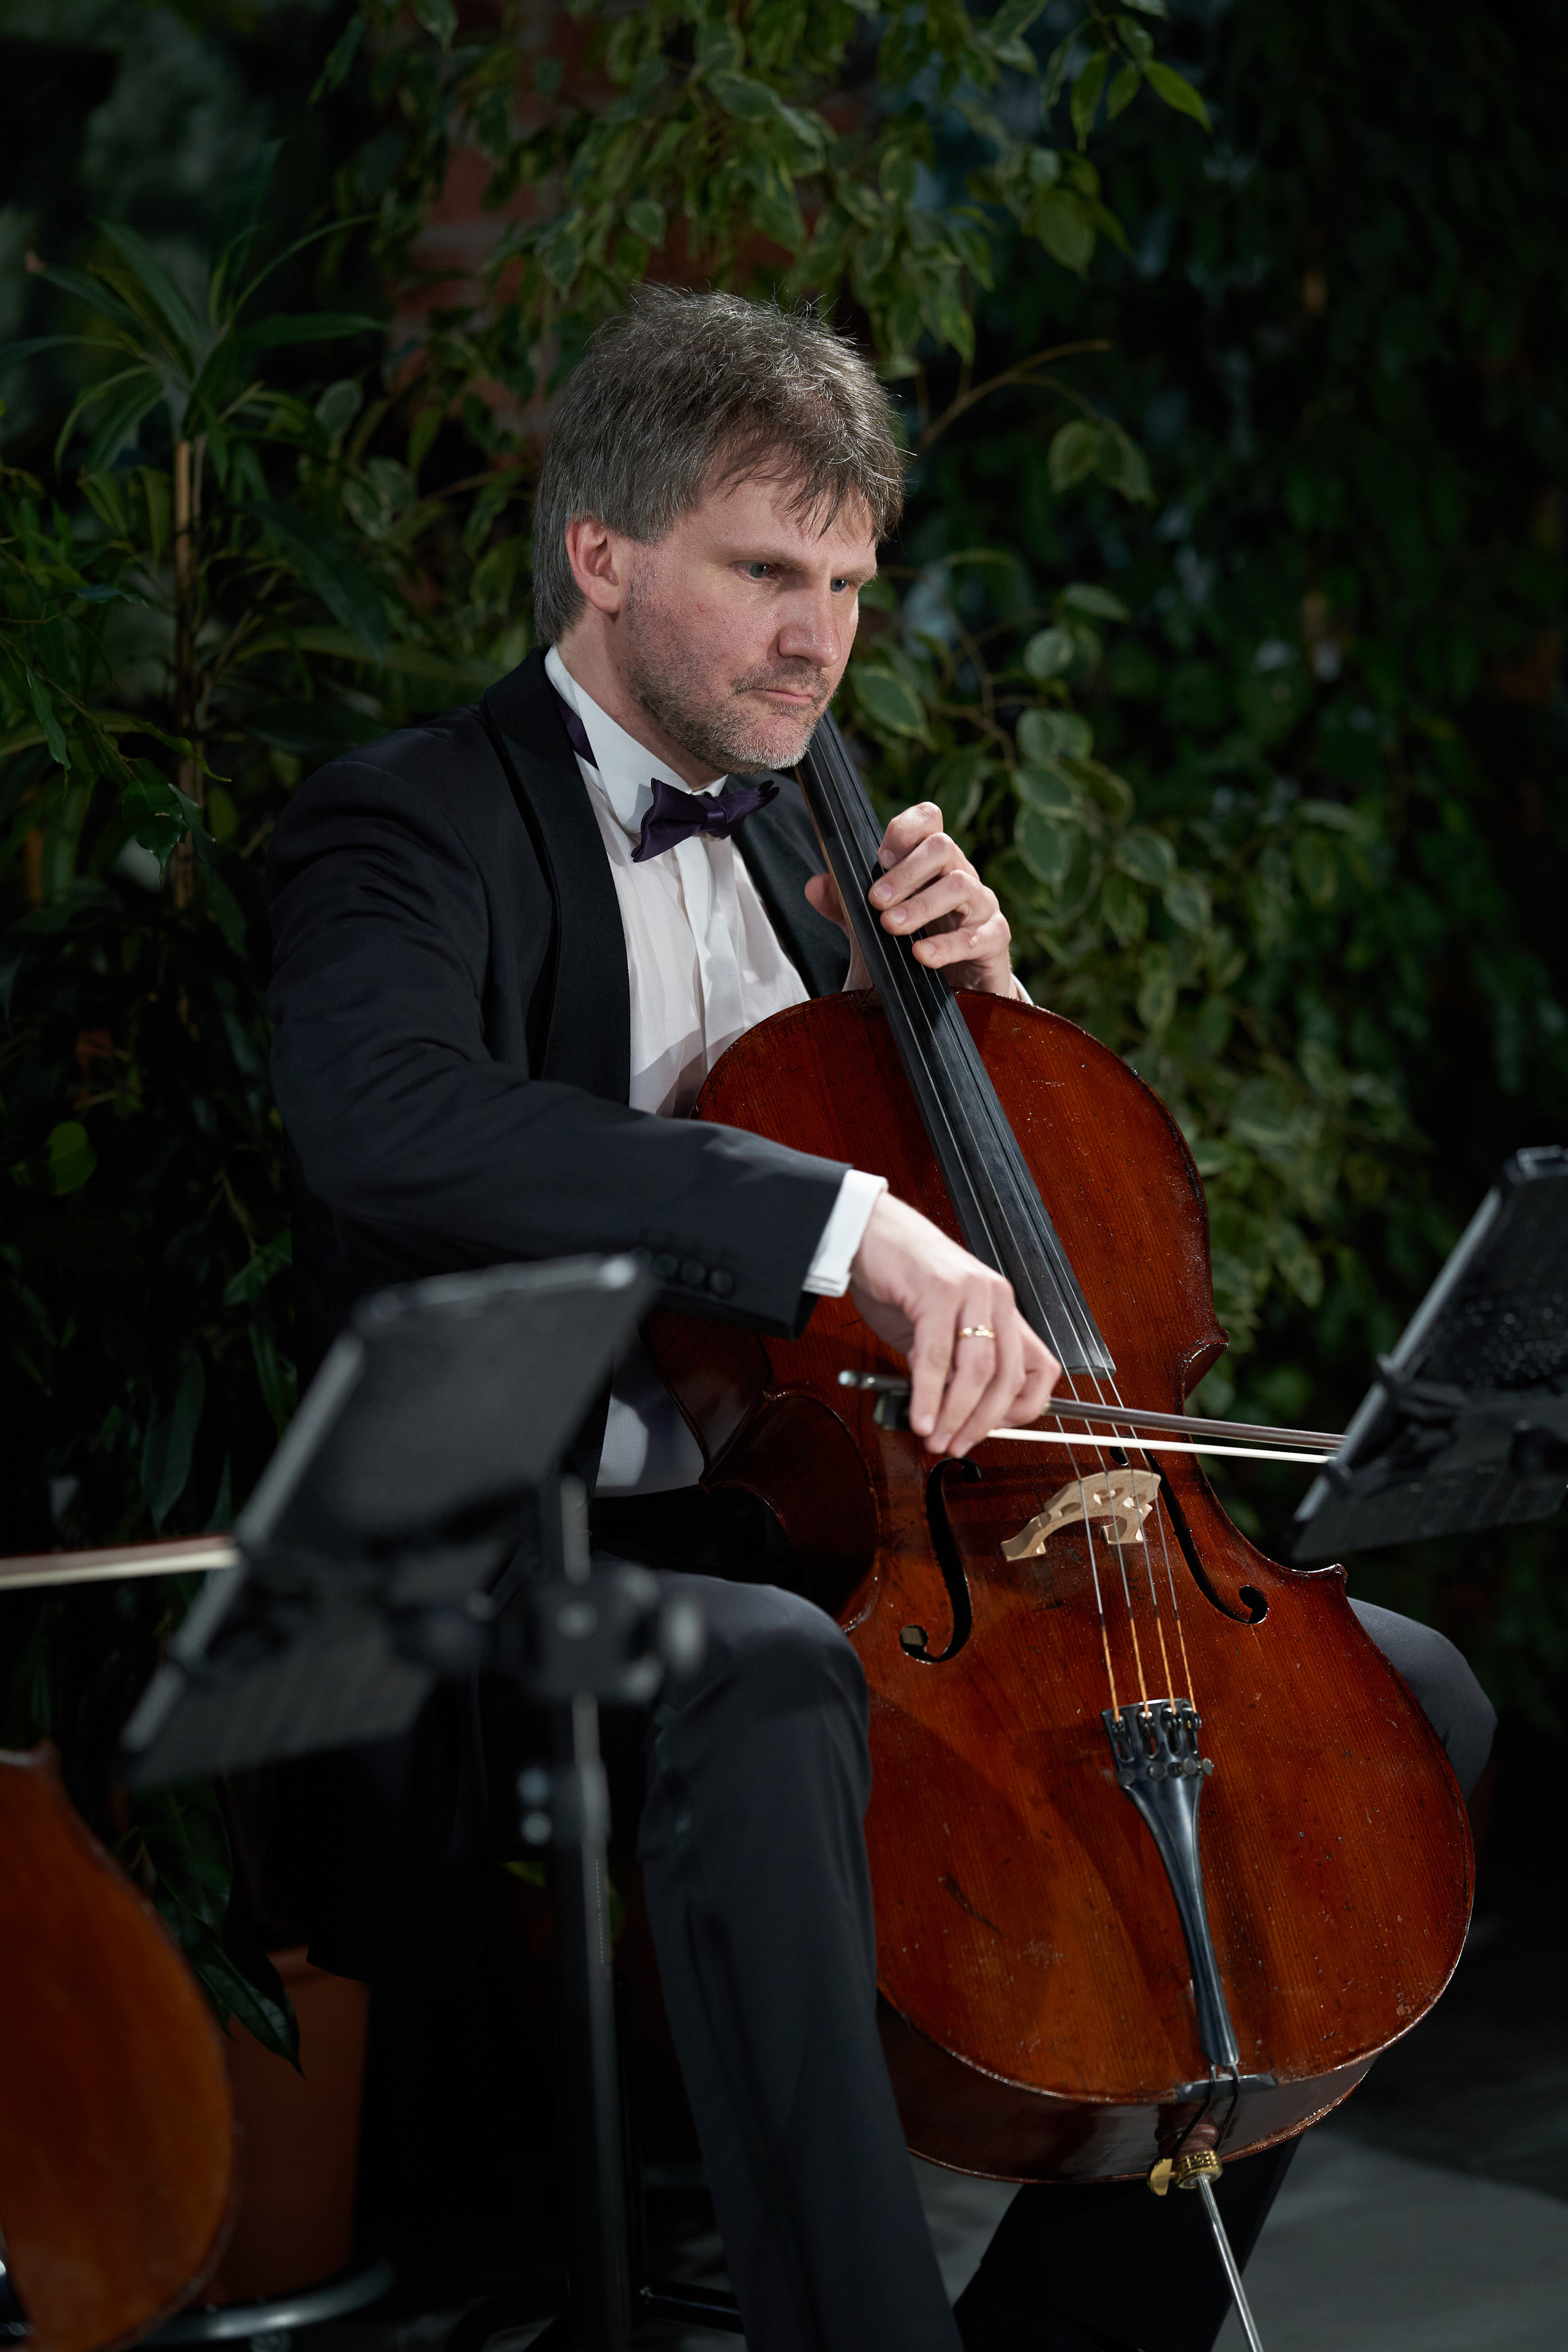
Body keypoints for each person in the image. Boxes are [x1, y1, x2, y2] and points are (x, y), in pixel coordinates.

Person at [266, 288, 1495, 2352]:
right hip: (534, 1549)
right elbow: (387, 1118)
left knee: (1419, 1704)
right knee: (761, 1678)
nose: (819, 636)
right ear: (604, 554)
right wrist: (840, 1222)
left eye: (846, 580)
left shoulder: (828, 847)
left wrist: (979, 1026)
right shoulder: (414, 822)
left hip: (846, 1537)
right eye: (766, 571)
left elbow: (1021, 1226)